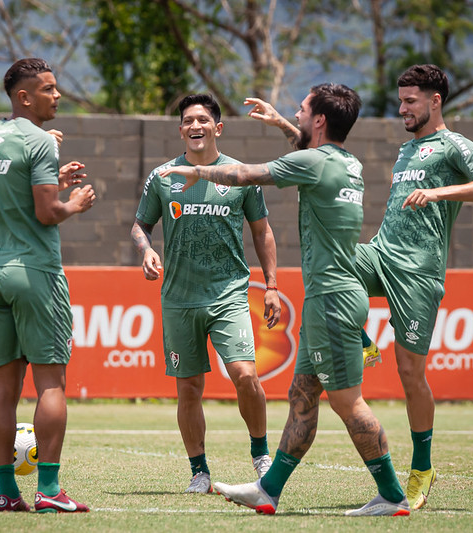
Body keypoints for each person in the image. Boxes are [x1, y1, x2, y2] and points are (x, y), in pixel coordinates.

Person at [159, 84, 410, 516]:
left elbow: (247, 174)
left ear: (318, 121)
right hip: (331, 296)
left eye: (302, 108)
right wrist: (279, 122)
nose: (296, 112)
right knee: (302, 396)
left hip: (332, 299)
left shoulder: (313, 162)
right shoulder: (347, 162)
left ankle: (391, 493)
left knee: (348, 402)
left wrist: (198, 173)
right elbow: (306, 150)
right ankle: (268, 489)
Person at [356, 64, 473, 510]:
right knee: (330, 262)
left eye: (410, 101)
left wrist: (440, 193)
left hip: (419, 273)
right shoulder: (406, 149)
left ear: (434, 100)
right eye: (400, 100)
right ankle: (364, 340)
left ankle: (422, 468)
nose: (401, 108)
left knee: (410, 374)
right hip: (381, 254)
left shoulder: (454, 143)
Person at [131, 93, 281, 494]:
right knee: (188, 388)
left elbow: (262, 230)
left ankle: (261, 454)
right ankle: (199, 471)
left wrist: (271, 286)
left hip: (229, 294)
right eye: (187, 121)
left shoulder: (239, 173)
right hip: (179, 298)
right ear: (181, 130)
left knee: (245, 375)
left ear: (218, 127)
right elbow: (139, 225)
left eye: (202, 119)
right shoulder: (163, 175)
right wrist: (146, 250)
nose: (194, 126)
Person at [0, 57, 96, 513]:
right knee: (50, 385)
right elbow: (47, 214)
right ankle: (48, 490)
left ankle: (7, 493)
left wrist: (52, 181)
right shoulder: (42, 140)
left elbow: (7, 194)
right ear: (24, 97)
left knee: (4, 390)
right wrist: (75, 202)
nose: (57, 95)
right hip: (33, 272)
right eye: (48, 88)